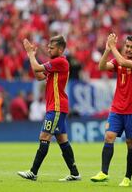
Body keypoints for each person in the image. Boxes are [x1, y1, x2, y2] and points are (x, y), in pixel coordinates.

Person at [17, 35, 81, 181]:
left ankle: (33, 172)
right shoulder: (55, 63)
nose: (48, 49)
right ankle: (75, 173)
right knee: (62, 140)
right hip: (57, 106)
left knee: (44, 137)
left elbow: (37, 67)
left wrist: (30, 54)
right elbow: (39, 76)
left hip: (56, 107)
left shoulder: (60, 62)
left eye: (51, 48)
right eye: (48, 47)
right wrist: (33, 57)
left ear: (60, 49)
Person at [90, 34, 132, 187]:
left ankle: (127, 178)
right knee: (109, 137)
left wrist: (113, 47)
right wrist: (107, 50)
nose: (128, 49)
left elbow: (122, 61)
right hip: (116, 109)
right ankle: (103, 173)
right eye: (127, 46)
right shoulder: (117, 60)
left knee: (131, 143)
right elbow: (101, 67)